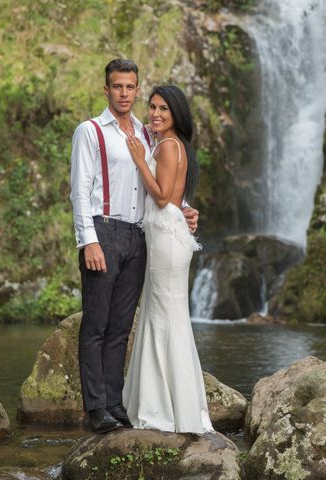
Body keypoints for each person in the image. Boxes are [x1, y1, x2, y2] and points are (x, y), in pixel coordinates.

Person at [69, 60, 198, 434]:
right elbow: (79, 191)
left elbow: (160, 185)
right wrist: (88, 240)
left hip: (141, 236)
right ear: (105, 90)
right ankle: (95, 408)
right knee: (96, 322)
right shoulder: (90, 132)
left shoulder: (147, 134)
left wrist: (185, 210)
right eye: (117, 86)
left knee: (122, 326)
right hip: (104, 230)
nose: (124, 93)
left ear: (137, 90)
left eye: (130, 87)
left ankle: (114, 403)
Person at [122, 85, 214, 434]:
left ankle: (164, 408)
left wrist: (138, 160)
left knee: (163, 316)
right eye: (153, 107)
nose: (156, 113)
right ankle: (178, 405)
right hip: (169, 235)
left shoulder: (167, 147)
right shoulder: (172, 145)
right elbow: (176, 198)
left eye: (164, 109)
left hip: (165, 237)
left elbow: (161, 197)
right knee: (166, 315)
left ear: (176, 113)